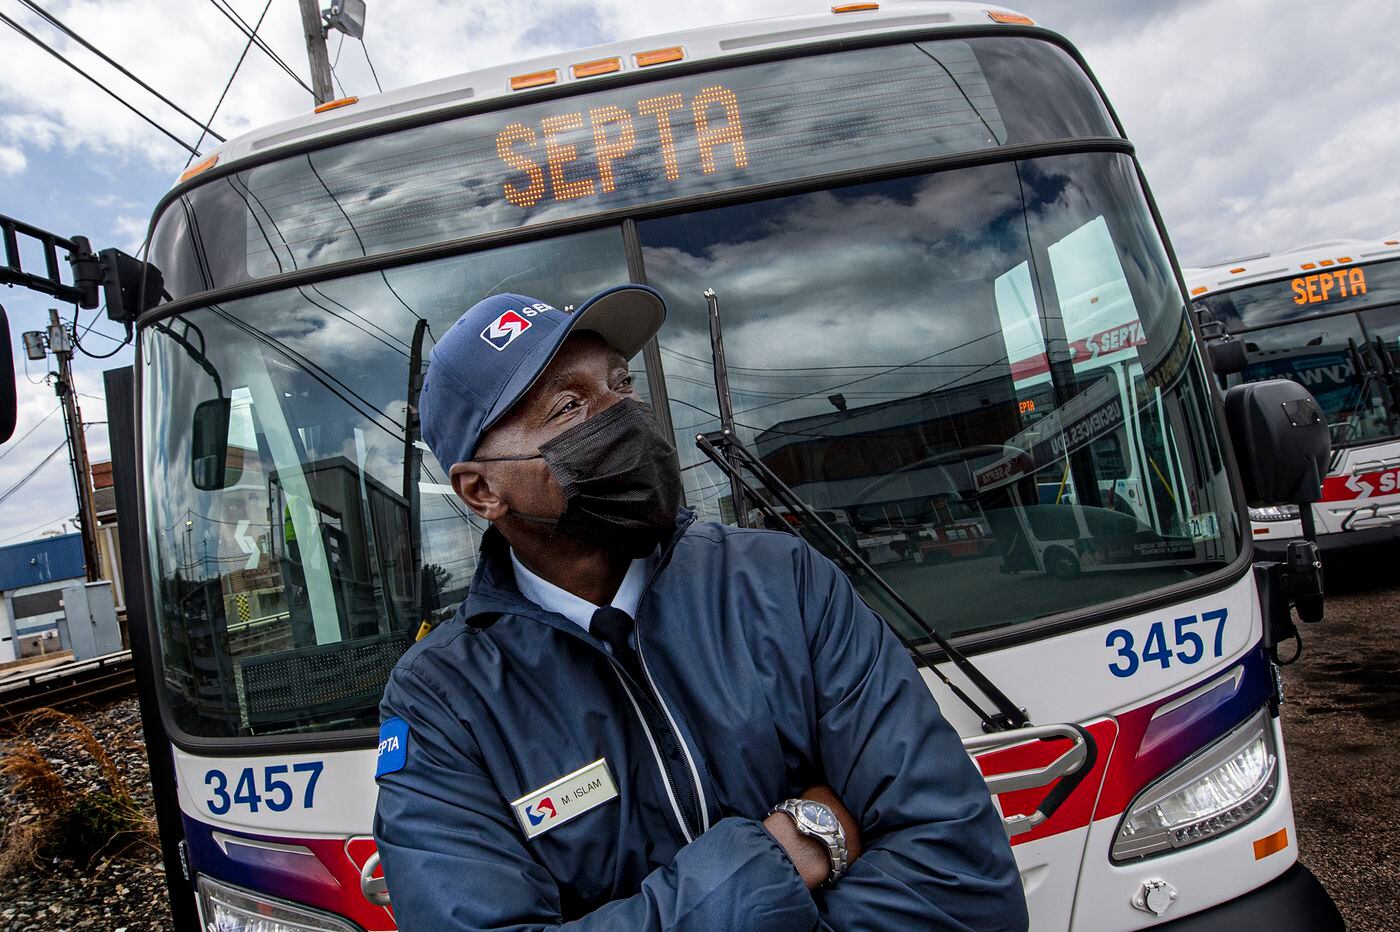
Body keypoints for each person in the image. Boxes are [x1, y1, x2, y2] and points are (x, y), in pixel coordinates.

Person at [372, 285, 1028, 930]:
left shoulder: (785, 582)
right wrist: (782, 854)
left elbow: (967, 888)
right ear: (482, 489)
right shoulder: (441, 701)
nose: (623, 414)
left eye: (621, 385)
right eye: (570, 405)